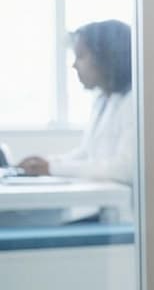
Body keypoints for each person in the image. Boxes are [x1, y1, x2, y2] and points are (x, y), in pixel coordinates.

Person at [17, 20, 136, 186]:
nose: (74, 65)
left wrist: (52, 168)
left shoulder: (133, 103)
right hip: (104, 205)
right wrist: (46, 163)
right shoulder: (103, 100)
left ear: (106, 57)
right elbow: (87, 153)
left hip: (124, 209)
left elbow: (124, 169)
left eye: (80, 56)